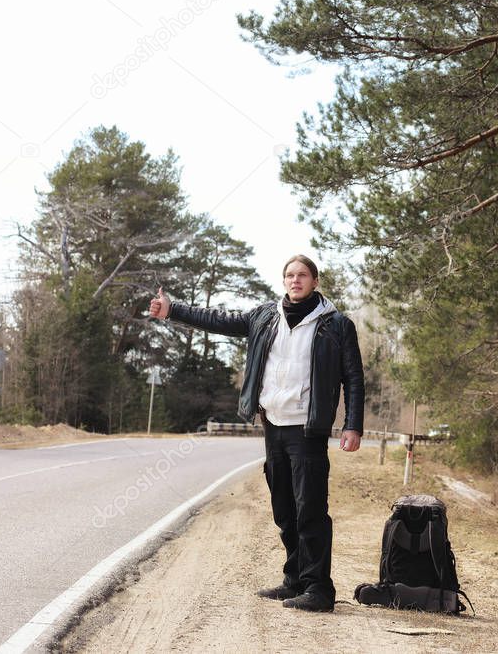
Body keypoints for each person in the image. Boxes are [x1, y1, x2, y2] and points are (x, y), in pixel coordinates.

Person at [148, 254, 364, 613]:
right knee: (284, 509)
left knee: (310, 509)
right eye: (290, 275)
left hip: (307, 428)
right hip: (273, 425)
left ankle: (319, 589)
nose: (295, 280)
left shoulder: (336, 325)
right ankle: (295, 579)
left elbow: (353, 378)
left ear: (315, 281)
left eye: (302, 275)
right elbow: (217, 319)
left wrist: (353, 424)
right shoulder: (265, 316)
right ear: (284, 281)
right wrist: (172, 310)